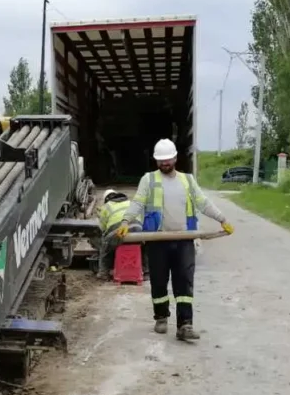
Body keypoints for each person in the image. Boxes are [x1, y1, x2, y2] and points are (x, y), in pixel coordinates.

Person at [116, 139, 234, 341]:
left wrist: (222, 219)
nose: (164, 164)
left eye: (167, 160)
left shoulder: (187, 180)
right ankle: (161, 317)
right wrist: (126, 220)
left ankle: (185, 324)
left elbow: (203, 203)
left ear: (175, 158)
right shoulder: (149, 180)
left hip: (184, 239)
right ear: (156, 161)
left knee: (184, 283)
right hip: (157, 238)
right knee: (159, 281)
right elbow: (138, 201)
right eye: (161, 161)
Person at [95, 189, 139, 279]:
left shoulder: (107, 206)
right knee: (143, 248)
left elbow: (102, 227)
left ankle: (103, 273)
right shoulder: (130, 202)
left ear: (106, 199)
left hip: (118, 230)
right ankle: (146, 272)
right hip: (137, 228)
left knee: (105, 247)